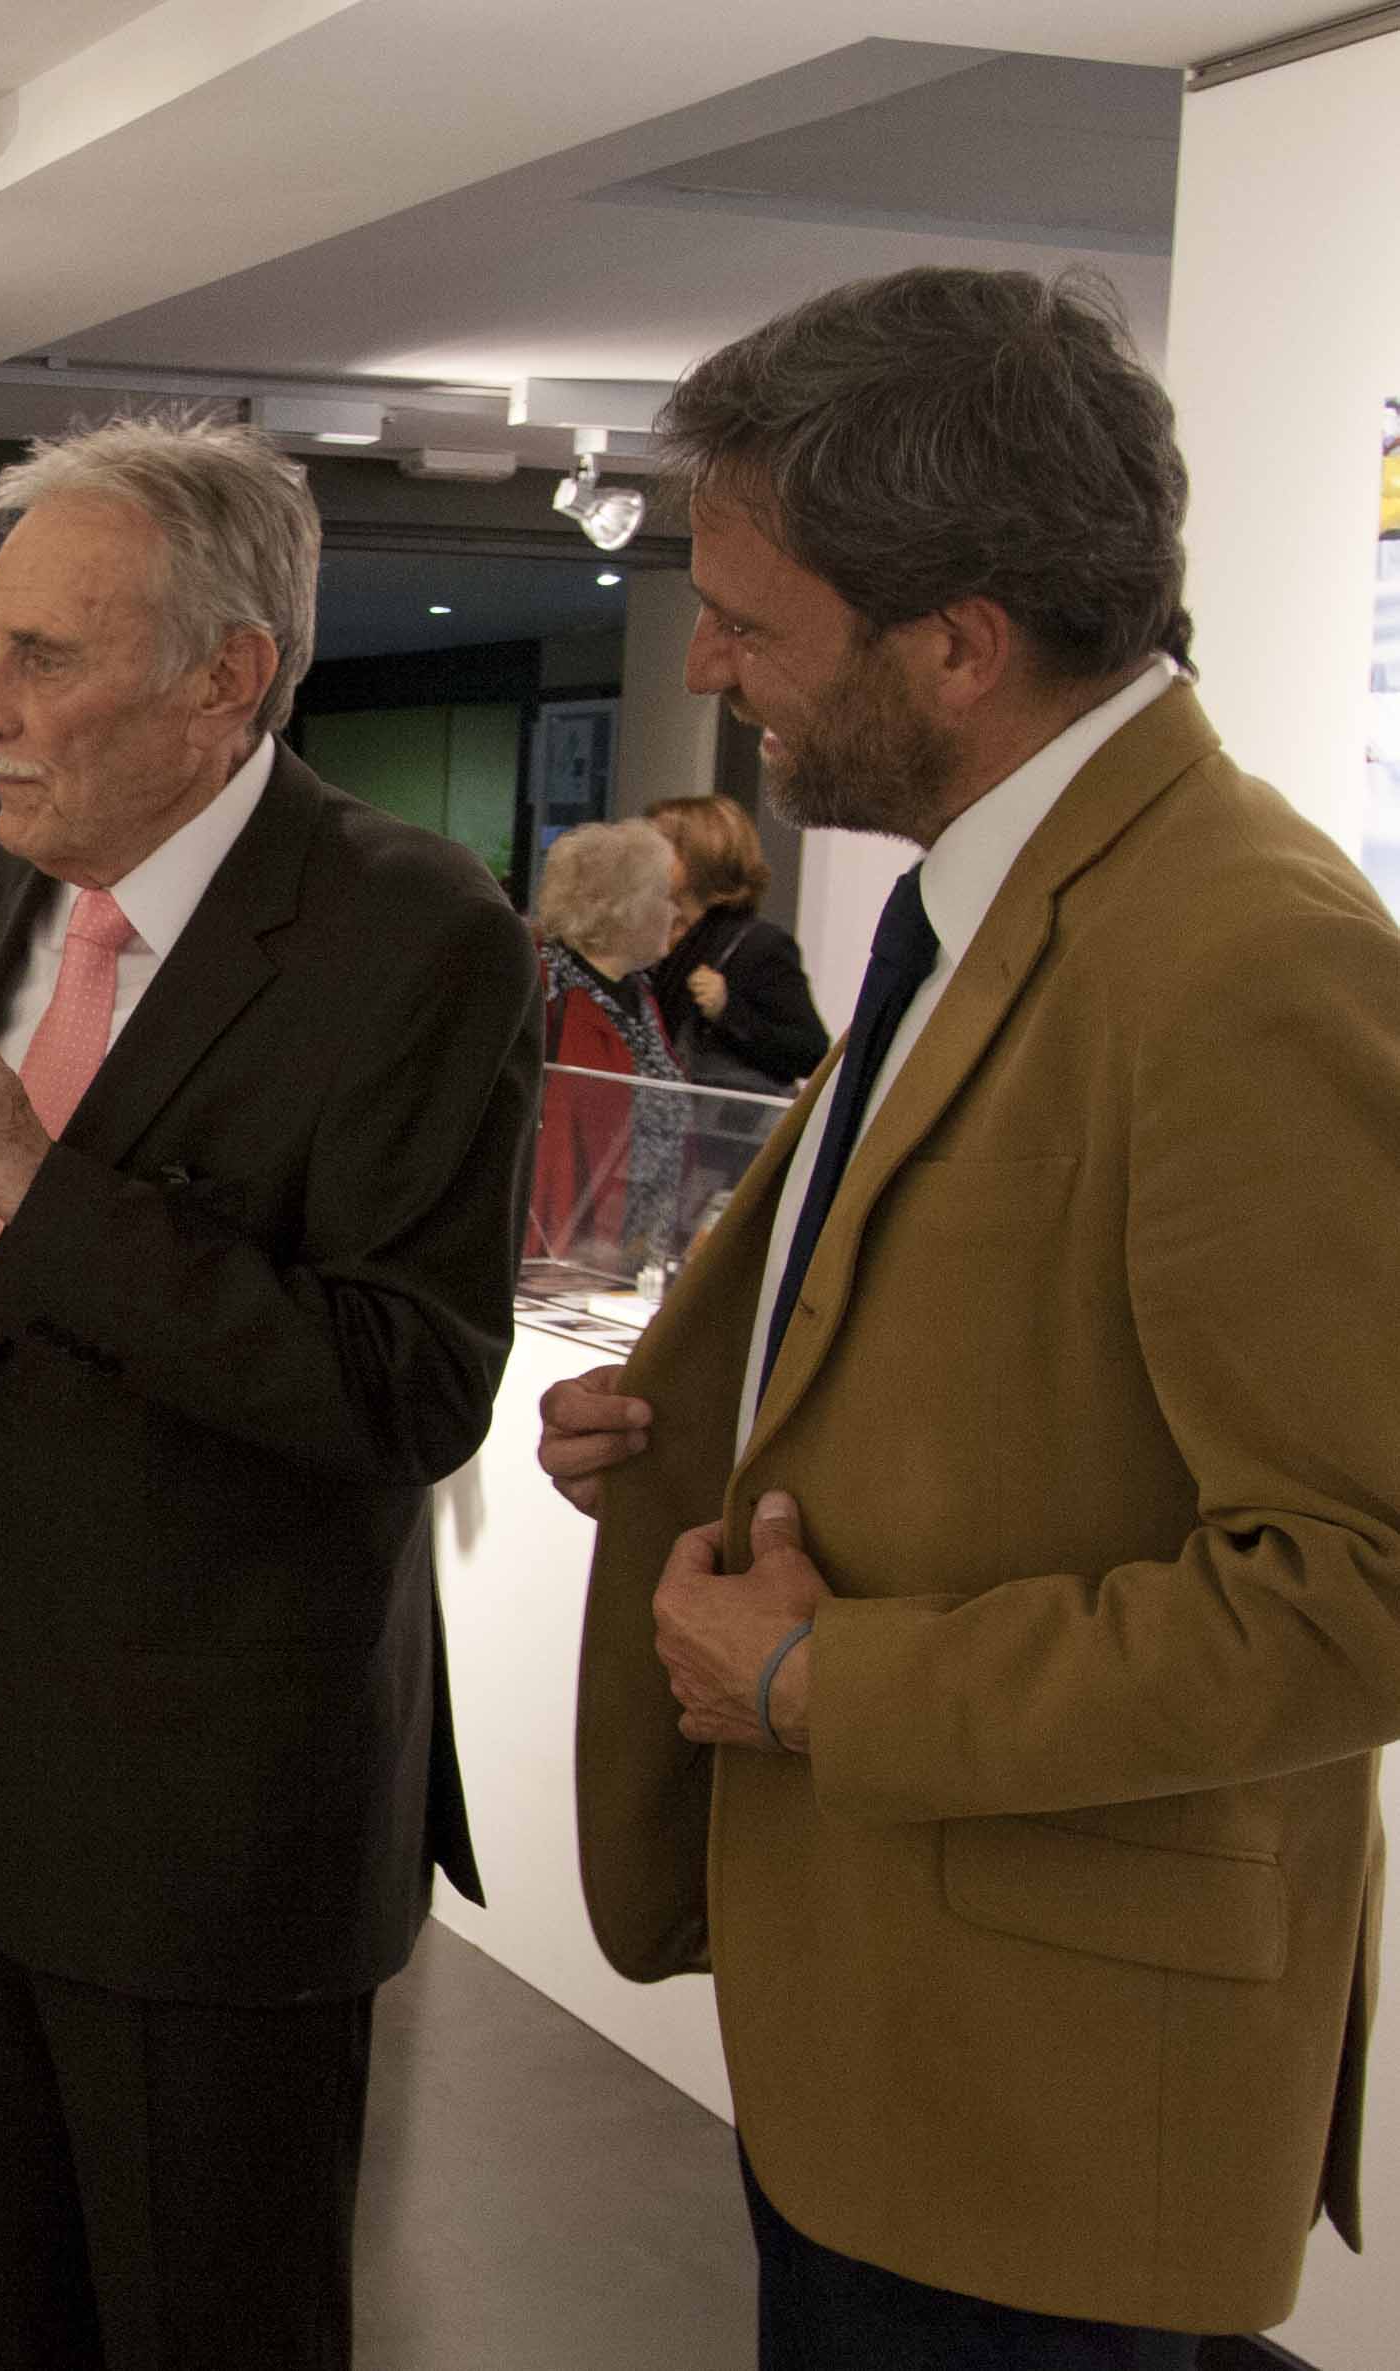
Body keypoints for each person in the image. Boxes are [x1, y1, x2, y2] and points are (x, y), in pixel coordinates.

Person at [541, 266, 1400, 2367]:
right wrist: (702, 1427)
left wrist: (831, 1670)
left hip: (1058, 2109)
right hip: (900, 2034)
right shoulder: (1001, 891)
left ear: (960, 638)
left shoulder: (1241, 958)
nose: (714, 665)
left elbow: (1356, 1589)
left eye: (752, 614)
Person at [0, 419, 539, 2371]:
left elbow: (404, 1384)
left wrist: (29, 1162)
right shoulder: (38, 895)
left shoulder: (415, 935)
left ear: (225, 677)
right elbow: (5, 1288)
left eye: (45, 656)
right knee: (33, 2317)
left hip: (218, 1828)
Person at [526, 818, 689, 1275]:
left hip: (633, 1251)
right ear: (623, 906)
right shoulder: (546, 992)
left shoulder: (641, 997)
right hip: (562, 1251)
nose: (677, 913)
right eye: (664, 896)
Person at [643, 793, 825, 1093]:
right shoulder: (655, 940)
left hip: (725, 1133)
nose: (647, 860)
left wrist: (727, 1012)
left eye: (662, 847)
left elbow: (810, 1052)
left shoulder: (760, 946)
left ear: (702, 855)